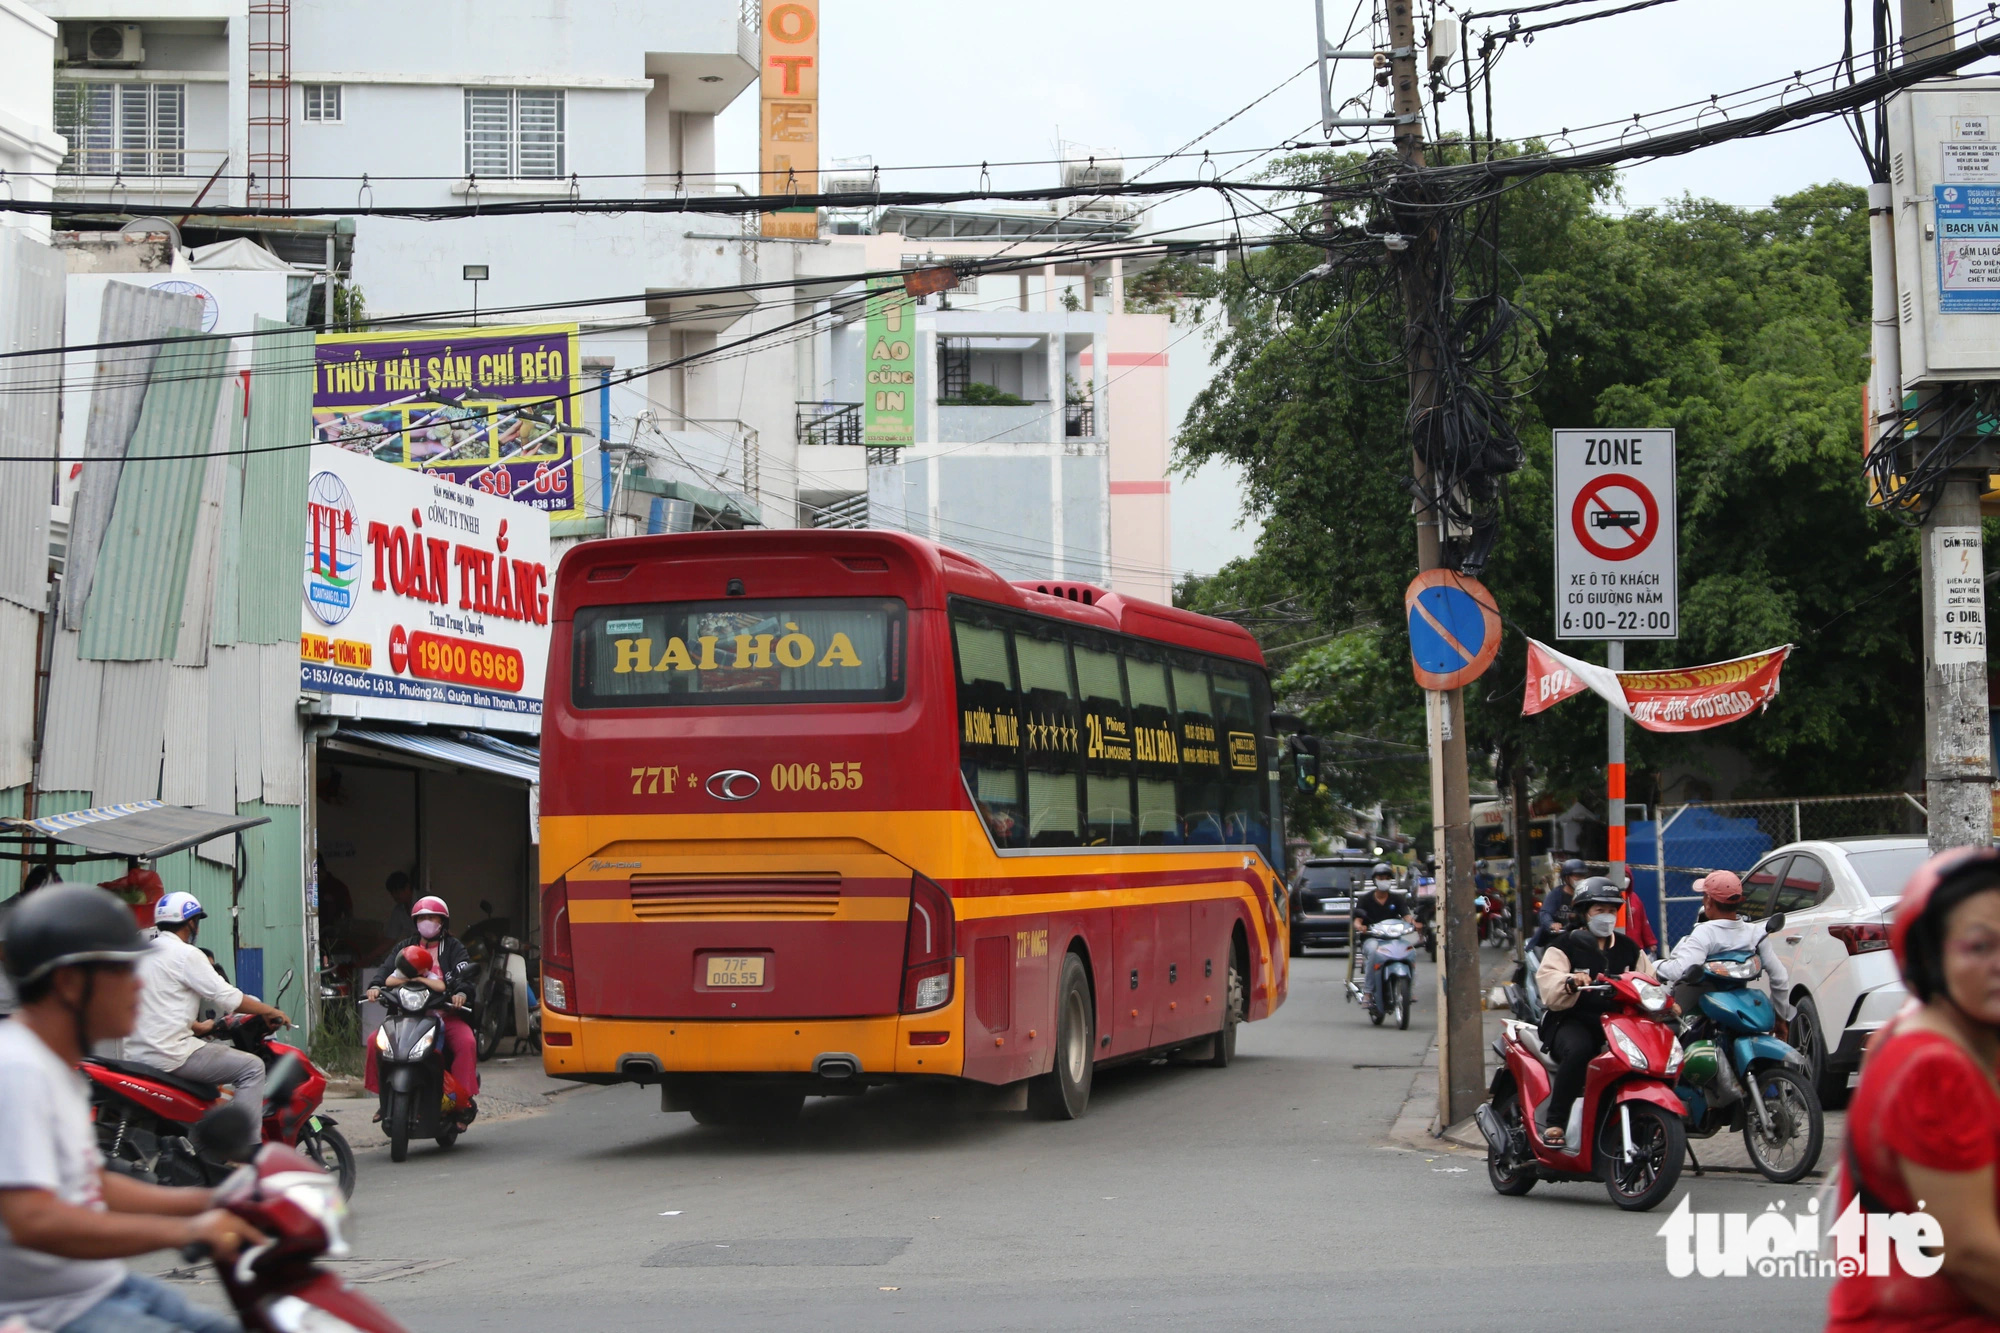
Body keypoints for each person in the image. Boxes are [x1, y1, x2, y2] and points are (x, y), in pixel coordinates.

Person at [0, 883, 263, 1332]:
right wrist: (187, 1231)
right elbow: (34, 1220)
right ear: (67, 983)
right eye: (122, 971)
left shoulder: (57, 1065)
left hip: (99, 1287)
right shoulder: (20, 1069)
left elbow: (89, 1182)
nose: (138, 984)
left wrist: (210, 1200)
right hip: (54, 1312)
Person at [1829, 846, 2000, 1329]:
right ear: (1930, 958)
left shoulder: (1968, 1036)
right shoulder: (1934, 1067)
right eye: (1979, 947)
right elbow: (1968, 1250)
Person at [123, 894, 290, 1111]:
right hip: (170, 1055)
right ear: (190, 923)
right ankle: (246, 1143)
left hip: (136, 1055)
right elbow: (229, 998)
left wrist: (199, 1027)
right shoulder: (187, 954)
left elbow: (156, 1005)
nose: (198, 930)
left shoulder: (142, 954)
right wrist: (268, 1010)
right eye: (197, 923)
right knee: (253, 1068)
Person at [1533, 877, 1659, 1147]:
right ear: (1583, 913)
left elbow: (1649, 979)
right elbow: (1548, 983)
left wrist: (1665, 998)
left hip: (1619, 1023)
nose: (1607, 917)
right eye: (1599, 910)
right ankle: (1556, 1121)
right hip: (1571, 1020)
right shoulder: (1564, 945)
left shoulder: (1629, 949)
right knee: (1580, 1051)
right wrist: (1570, 982)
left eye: (1612, 911)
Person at [364, 895, 479, 1112]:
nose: (426, 922)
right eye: (421, 917)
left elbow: (465, 975)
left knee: (467, 1042)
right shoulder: (405, 946)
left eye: (431, 917)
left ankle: (462, 1103)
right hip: (405, 1017)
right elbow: (385, 971)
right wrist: (375, 986)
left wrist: (462, 993)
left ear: (442, 921)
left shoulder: (454, 948)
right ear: (415, 921)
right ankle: (384, 1099)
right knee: (374, 1042)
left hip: (445, 1016)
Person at [1654, 871, 1793, 1041]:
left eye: (1704, 896)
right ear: (1739, 901)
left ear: (1709, 901)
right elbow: (1780, 977)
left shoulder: (1704, 933)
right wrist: (1781, 1017)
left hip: (1694, 1003)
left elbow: (1680, 970)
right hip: (1740, 1002)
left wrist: (1656, 966)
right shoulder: (1755, 934)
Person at [1352, 864, 1415, 1016]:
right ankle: (1368, 993)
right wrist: (1360, 926)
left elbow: (1406, 916)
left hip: (1393, 939)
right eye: (1381, 878)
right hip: (1372, 939)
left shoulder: (1397, 899)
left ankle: (1409, 989)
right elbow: (1357, 920)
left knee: (1410, 951)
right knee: (1373, 952)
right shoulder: (1365, 899)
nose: (1384, 881)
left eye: (1387, 878)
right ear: (1375, 880)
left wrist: (1414, 923)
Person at [1534, 858, 1590, 949]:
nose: (1581, 879)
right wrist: (1551, 924)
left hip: (1579, 939)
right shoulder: (1556, 894)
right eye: (1577, 876)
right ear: (1566, 878)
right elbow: (1545, 913)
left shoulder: (1587, 895)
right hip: (1556, 939)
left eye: (1582, 876)